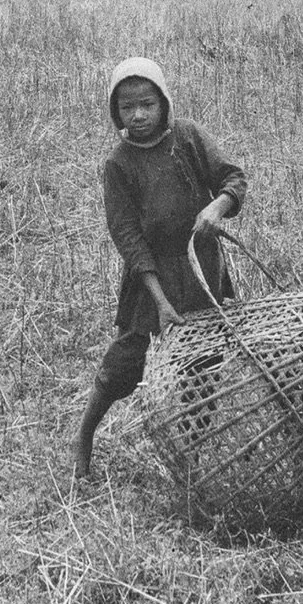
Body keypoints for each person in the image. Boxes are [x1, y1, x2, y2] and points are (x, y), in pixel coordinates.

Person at [72, 57, 248, 478]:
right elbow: (127, 236)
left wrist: (216, 208)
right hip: (149, 276)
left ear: (163, 102)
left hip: (201, 268)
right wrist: (160, 301)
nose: (138, 115)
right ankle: (84, 434)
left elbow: (234, 177)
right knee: (127, 360)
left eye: (147, 104)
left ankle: (192, 452)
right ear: (115, 112)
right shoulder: (119, 164)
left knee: (203, 361)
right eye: (127, 107)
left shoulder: (187, 138)